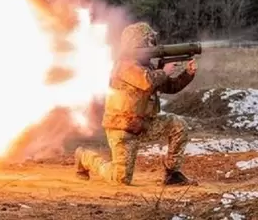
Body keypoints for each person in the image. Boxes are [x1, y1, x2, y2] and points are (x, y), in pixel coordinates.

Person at [74, 22, 197, 186]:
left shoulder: (147, 67)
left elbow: (170, 87)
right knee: (121, 178)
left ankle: (172, 173)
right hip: (123, 128)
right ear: (138, 43)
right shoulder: (124, 65)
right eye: (149, 41)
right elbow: (146, 82)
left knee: (178, 125)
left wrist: (188, 73)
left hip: (143, 124)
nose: (153, 45)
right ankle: (84, 157)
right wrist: (164, 71)